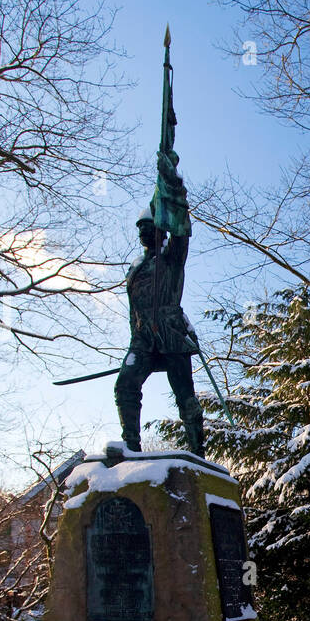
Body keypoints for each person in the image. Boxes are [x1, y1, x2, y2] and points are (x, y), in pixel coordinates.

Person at [115, 157, 203, 454]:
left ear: (160, 229)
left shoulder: (172, 257)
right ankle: (130, 449)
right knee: (125, 386)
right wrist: (134, 339)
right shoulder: (136, 269)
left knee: (185, 398)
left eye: (148, 226)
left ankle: (197, 451)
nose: (142, 232)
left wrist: (174, 186)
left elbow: (181, 226)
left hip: (170, 334)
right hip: (142, 338)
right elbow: (133, 313)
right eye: (140, 227)